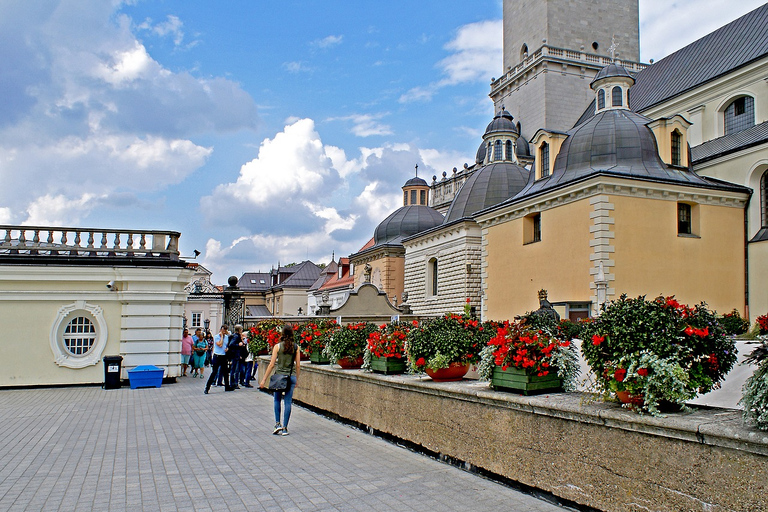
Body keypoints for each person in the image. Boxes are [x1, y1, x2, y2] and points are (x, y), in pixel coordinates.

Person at [259, 325, 300, 436]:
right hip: (291, 377)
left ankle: (277, 424)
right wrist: (297, 379)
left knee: (277, 400)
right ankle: (285, 428)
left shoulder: (277, 347)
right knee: (288, 402)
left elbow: (272, 364)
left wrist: (264, 379)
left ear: (282, 334)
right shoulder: (296, 347)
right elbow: (298, 366)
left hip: (279, 377)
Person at [205, 325, 232, 394]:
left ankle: (227, 386)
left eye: (225, 330)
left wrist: (227, 349)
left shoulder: (227, 337)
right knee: (214, 372)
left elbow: (227, 345)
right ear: (220, 330)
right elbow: (219, 344)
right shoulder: (216, 337)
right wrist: (222, 337)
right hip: (217, 356)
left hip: (223, 356)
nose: (224, 332)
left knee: (225, 372)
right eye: (223, 330)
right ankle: (207, 387)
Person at [227, 325, 245, 389]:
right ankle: (233, 383)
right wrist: (239, 345)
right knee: (234, 370)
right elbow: (231, 344)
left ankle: (234, 383)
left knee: (234, 370)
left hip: (236, 354)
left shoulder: (235, 335)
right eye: (241, 329)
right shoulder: (236, 336)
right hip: (235, 355)